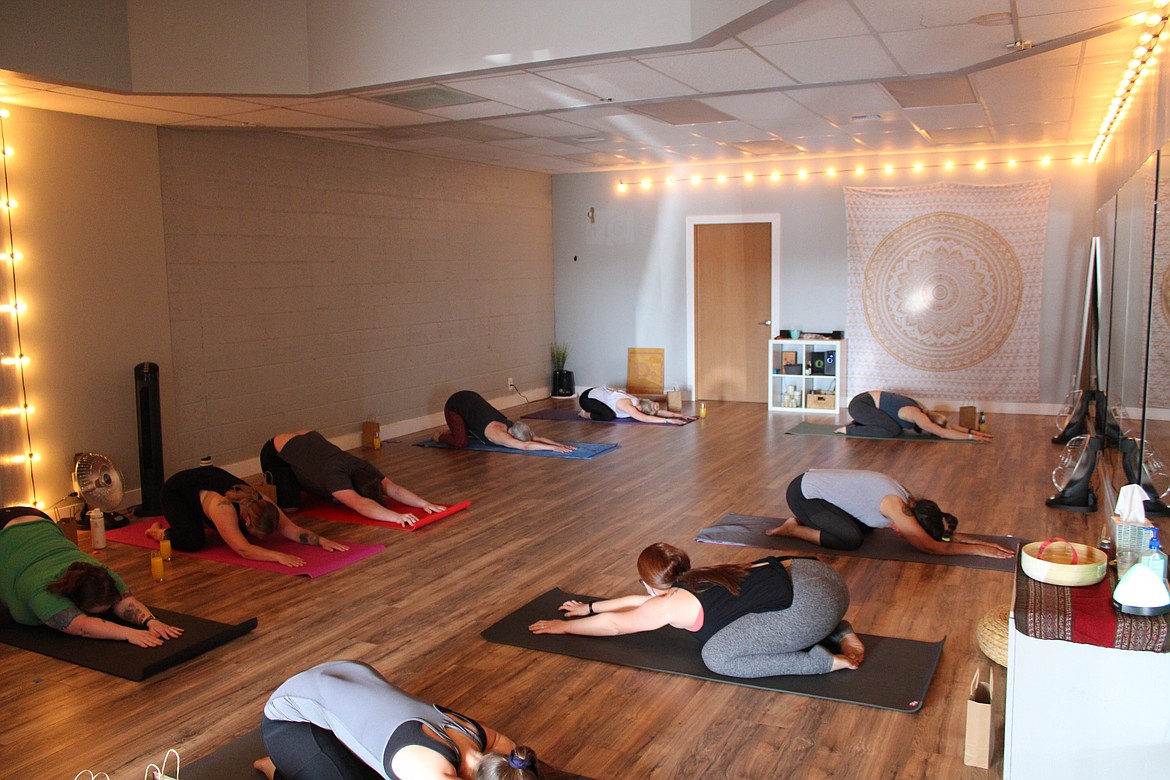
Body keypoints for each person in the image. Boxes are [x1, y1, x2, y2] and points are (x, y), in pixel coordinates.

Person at [529, 542, 863, 678]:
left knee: (718, 657)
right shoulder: (697, 577)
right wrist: (589, 607)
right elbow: (639, 603)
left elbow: (617, 625)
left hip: (812, 605)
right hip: (822, 578)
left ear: (649, 584)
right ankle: (839, 630)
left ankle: (825, 660)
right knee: (761, 614)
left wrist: (563, 627)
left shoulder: (669, 604)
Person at [252, 659, 542, 780]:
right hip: (290, 719)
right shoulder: (430, 769)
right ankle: (278, 766)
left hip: (343, 672)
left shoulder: (482, 737)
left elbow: (510, 753)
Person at [0, 506, 183, 646]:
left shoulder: (99, 572)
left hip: (40, 520)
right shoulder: (43, 593)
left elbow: (126, 601)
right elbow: (82, 627)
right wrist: (129, 633)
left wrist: (151, 621)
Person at [765, 469, 1014, 558]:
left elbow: (939, 539)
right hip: (803, 494)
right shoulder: (896, 506)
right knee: (851, 540)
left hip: (819, 489)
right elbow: (931, 547)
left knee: (866, 530)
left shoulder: (911, 503)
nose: (902, 534)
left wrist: (976, 540)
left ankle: (806, 523)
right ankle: (793, 529)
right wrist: (978, 550)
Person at [146, 465, 349, 568]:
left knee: (230, 532)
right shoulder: (223, 509)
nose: (261, 539)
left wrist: (322, 541)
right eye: (259, 533)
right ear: (249, 520)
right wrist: (278, 556)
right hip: (176, 492)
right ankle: (159, 531)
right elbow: (244, 550)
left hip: (206, 483)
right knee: (193, 541)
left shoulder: (263, 503)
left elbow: (292, 530)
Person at [261, 430, 445, 527]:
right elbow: (360, 504)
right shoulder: (335, 477)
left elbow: (392, 488)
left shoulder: (364, 466)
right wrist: (396, 517)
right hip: (276, 451)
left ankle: (303, 476)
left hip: (308, 439)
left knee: (322, 485)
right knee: (291, 507)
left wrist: (424, 504)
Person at [434, 390, 575, 453]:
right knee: (461, 442)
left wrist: (559, 444)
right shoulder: (500, 435)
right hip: (455, 405)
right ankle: (438, 436)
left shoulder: (512, 426)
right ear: (511, 436)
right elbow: (525, 446)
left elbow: (534, 437)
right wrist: (552, 449)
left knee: (468, 433)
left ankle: (456, 429)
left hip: (470, 399)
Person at [837, 390, 992, 441]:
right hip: (860, 406)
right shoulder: (919, 417)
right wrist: (972, 439)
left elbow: (948, 426)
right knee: (892, 430)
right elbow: (943, 433)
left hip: (867, 404)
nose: (929, 432)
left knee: (895, 427)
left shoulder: (924, 412)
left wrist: (973, 432)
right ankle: (849, 430)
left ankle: (859, 423)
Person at [577, 386, 695, 425]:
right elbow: (645, 418)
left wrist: (680, 415)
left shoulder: (640, 404)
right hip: (588, 398)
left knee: (609, 414)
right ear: (641, 409)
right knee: (608, 416)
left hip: (601, 395)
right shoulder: (627, 405)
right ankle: (585, 414)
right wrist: (669, 421)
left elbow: (657, 412)